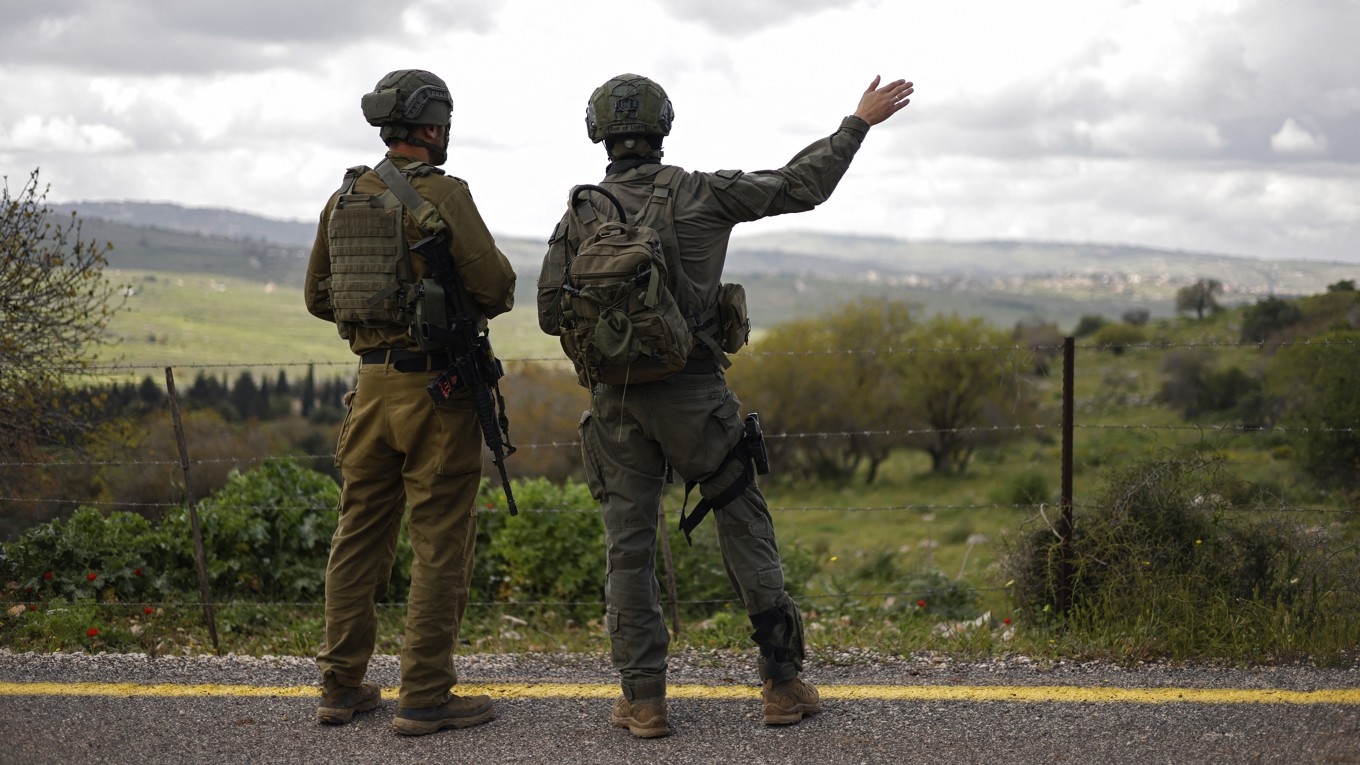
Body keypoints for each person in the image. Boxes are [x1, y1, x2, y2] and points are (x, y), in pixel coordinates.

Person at [536, 73, 914, 738]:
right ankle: (782, 685)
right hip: (697, 397)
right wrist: (858, 122)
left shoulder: (580, 215)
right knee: (744, 527)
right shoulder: (698, 191)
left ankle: (644, 701)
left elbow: (546, 314)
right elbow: (803, 185)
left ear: (600, 132)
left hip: (616, 406)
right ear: (663, 128)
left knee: (627, 549)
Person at [304, 68, 517, 736]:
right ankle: (423, 695)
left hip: (367, 390)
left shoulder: (343, 200)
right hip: (436, 392)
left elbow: (318, 297)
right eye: (443, 122)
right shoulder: (445, 195)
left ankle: (341, 685)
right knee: (439, 542)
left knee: (358, 534)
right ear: (430, 126)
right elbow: (497, 286)